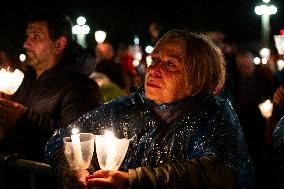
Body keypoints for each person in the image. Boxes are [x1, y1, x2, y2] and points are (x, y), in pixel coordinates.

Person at [45, 29, 254, 189]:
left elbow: (218, 172)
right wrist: (73, 170)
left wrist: (133, 181)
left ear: (197, 76)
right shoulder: (124, 109)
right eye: (155, 60)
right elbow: (61, 141)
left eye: (170, 64)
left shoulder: (213, 113)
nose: (153, 69)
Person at [0, 9, 102, 189]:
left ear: (59, 44)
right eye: (27, 36)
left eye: (36, 36)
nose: (26, 44)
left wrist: (24, 117)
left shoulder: (80, 87)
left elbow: (76, 140)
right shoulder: (25, 81)